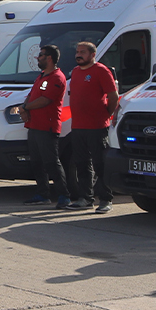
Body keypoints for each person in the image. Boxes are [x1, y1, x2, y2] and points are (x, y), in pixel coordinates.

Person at [66, 42, 118, 212]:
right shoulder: (75, 72)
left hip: (96, 127)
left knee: (100, 164)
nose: (78, 55)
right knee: (81, 164)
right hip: (78, 126)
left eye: (82, 52)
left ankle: (105, 199)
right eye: (77, 51)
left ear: (92, 54)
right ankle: (85, 198)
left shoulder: (101, 71)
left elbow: (113, 96)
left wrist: (106, 114)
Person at [21, 45, 69, 208]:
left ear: (49, 58)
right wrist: (24, 107)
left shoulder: (57, 77)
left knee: (51, 162)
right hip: (34, 125)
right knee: (36, 162)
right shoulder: (41, 76)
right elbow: (31, 95)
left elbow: (45, 100)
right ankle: (42, 194)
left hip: (47, 126)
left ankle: (64, 195)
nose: (37, 58)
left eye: (40, 55)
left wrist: (26, 107)